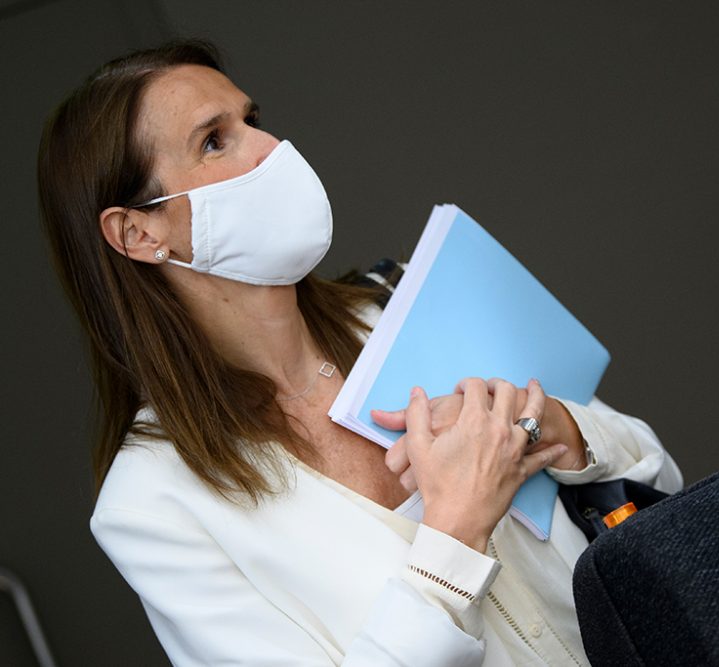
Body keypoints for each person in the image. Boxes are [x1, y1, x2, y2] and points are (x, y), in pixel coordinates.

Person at [37, 40, 682, 666]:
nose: (271, 149)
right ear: (137, 231)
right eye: (214, 140)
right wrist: (454, 534)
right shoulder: (152, 504)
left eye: (252, 120)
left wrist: (559, 434)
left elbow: (660, 476)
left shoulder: (404, 299)